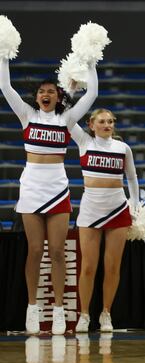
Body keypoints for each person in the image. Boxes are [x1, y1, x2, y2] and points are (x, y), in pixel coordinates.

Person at [0, 56, 97, 335]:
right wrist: (4, 54)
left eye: (51, 91)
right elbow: (5, 86)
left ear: (58, 96)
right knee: (34, 250)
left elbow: (92, 93)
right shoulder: (27, 116)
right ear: (37, 96)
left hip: (57, 188)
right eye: (42, 91)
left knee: (57, 252)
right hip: (30, 186)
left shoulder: (66, 119)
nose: (46, 94)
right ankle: (32, 307)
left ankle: (58, 310)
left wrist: (90, 61)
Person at [73, 109, 139, 332]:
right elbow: (68, 119)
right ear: (91, 124)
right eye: (102, 121)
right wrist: (70, 89)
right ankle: (84, 314)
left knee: (112, 266)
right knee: (89, 267)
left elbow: (132, 177)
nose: (107, 124)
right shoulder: (84, 141)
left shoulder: (123, 148)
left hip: (117, 208)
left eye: (110, 121)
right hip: (91, 208)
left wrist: (135, 206)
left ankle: (106, 313)